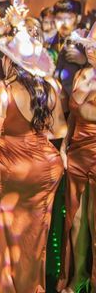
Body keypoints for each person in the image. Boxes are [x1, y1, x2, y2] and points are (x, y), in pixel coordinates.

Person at [0, 5, 67, 293]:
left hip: (14, 167)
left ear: (11, 59)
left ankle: (2, 284)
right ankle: (30, 284)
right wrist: (34, 131)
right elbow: (59, 130)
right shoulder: (50, 85)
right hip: (46, 167)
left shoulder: (3, 89)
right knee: (34, 233)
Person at [58, 24, 96, 293]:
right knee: (77, 221)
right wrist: (63, 145)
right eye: (90, 45)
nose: (91, 49)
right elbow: (73, 114)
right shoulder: (82, 73)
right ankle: (78, 275)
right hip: (77, 153)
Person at [50, 0, 86, 98]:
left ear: (78, 18)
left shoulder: (88, 41)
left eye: (69, 18)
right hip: (54, 102)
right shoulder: (49, 42)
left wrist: (84, 61)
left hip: (78, 105)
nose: (64, 23)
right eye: (59, 18)